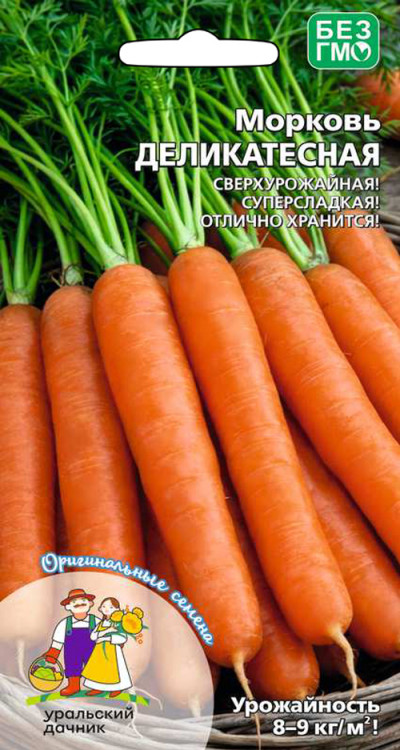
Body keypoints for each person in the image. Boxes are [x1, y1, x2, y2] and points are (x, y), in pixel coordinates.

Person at [44, 588, 100, 696]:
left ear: (90, 603)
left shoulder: (96, 621)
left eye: (83, 601)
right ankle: (73, 686)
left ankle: (97, 686)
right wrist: (53, 653)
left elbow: (104, 634)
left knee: (94, 667)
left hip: (91, 650)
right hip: (72, 651)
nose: (79, 604)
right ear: (68, 607)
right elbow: (58, 640)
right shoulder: (65, 623)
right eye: (74, 602)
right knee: (72, 667)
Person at [82, 597, 133, 697]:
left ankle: (117, 688)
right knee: (98, 669)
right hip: (99, 651)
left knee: (115, 670)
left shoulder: (119, 624)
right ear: (100, 609)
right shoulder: (101, 623)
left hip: (113, 651)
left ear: (117, 610)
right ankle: (97, 687)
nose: (106, 609)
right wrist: (107, 631)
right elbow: (93, 636)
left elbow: (123, 638)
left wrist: (106, 639)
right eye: (104, 606)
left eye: (110, 607)